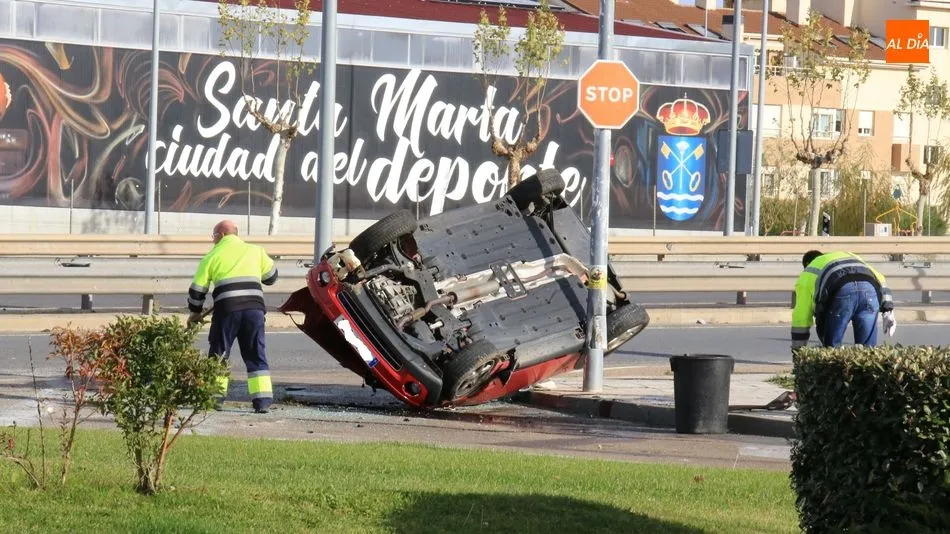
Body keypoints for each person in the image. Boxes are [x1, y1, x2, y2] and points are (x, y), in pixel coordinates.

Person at [187, 220, 279, 413]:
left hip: (226, 310)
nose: (213, 241)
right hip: (254, 310)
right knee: (255, 353)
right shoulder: (255, 251)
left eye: (213, 237)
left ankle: (214, 399)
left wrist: (195, 312)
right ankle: (262, 401)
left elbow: (197, 290)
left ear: (220, 235)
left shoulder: (211, 256)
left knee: (219, 353)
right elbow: (271, 277)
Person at [791, 250, 896, 350]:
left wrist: (798, 350)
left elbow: (801, 317)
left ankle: (835, 366)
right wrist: (887, 309)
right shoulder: (848, 255)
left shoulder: (807, 273)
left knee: (831, 349)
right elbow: (880, 278)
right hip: (869, 288)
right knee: (867, 350)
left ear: (806, 264)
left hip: (842, 290)